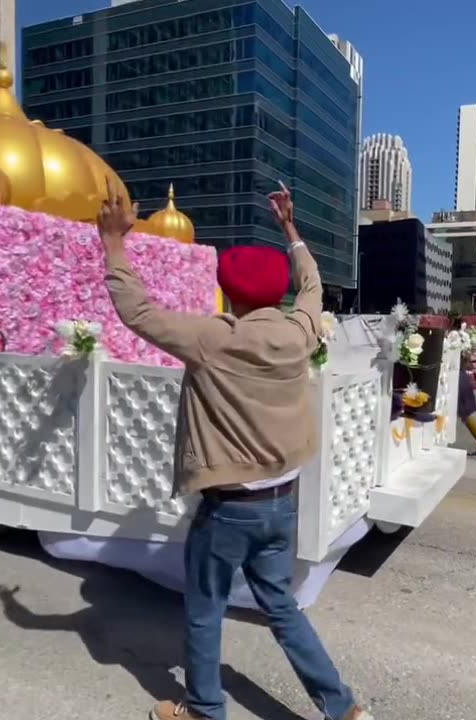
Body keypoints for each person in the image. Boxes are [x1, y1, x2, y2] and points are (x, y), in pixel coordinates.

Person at [99, 181, 370, 720]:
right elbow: (312, 286)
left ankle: (203, 708)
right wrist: (290, 229)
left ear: (226, 291)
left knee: (204, 609)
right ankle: (343, 709)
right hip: (281, 502)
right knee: (282, 608)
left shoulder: (212, 338)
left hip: (229, 510)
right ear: (276, 295)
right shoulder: (299, 331)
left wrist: (112, 243)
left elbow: (138, 312)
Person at [449, 314, 476, 459]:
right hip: (461, 375)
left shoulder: (453, 336)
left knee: (463, 414)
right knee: (463, 414)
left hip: (455, 376)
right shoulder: (466, 338)